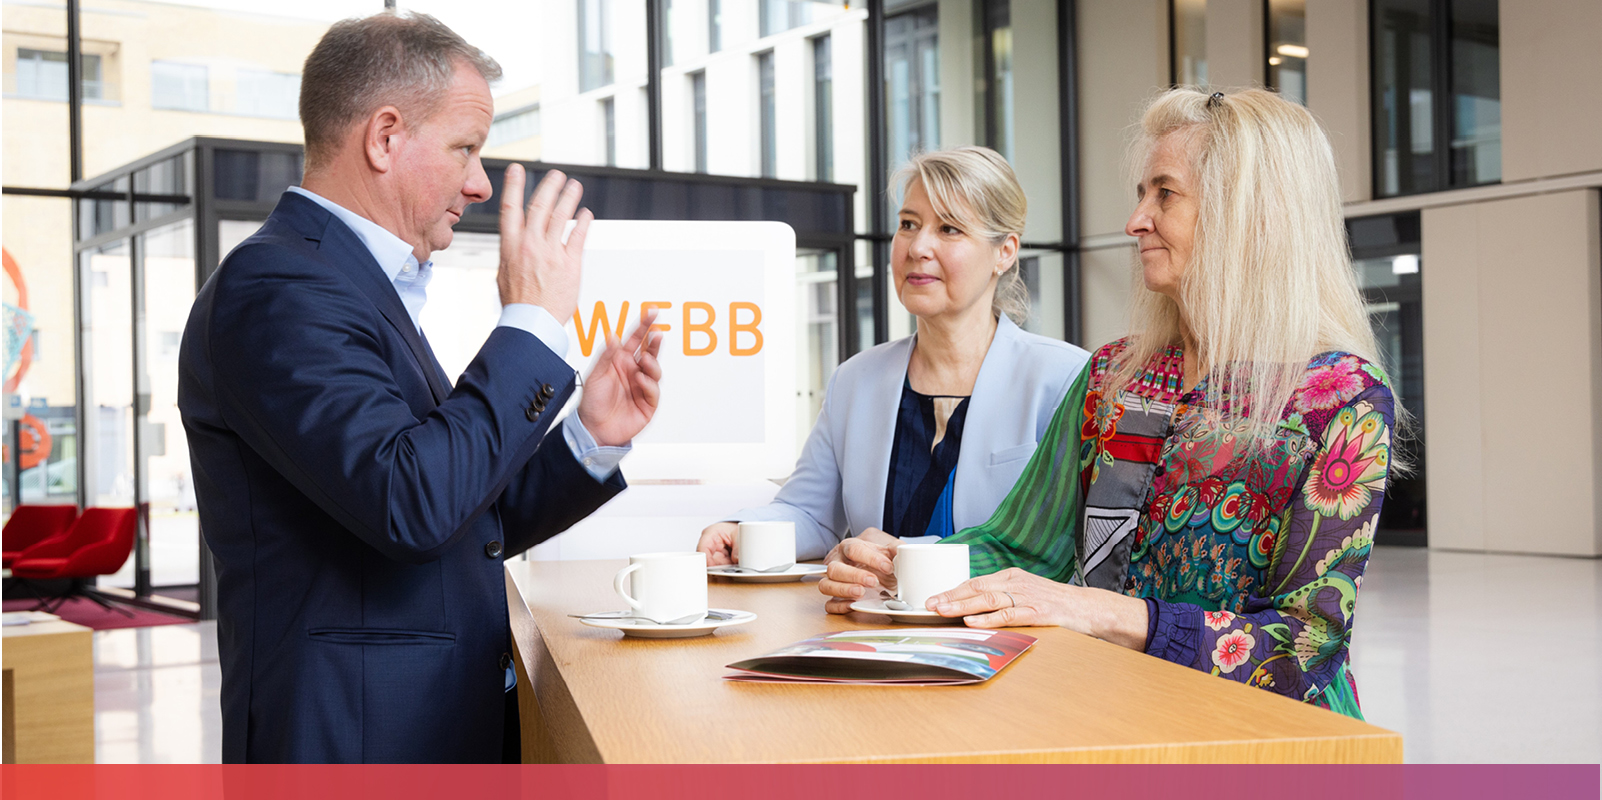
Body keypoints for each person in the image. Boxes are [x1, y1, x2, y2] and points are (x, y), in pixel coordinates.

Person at [178, 11, 663, 763]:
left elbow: (462, 518)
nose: (479, 183)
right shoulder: (277, 287)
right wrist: (530, 322)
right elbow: (412, 504)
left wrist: (589, 435)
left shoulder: (344, 285)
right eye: (466, 148)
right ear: (384, 137)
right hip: (356, 747)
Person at [821, 88, 1396, 719]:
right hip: (1123, 715)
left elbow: (1306, 645)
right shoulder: (1114, 377)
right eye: (1141, 193)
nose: (1136, 220)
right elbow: (1019, 548)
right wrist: (897, 565)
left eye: (1164, 194)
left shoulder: (1342, 398)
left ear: (1247, 212)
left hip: (1275, 740)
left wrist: (1102, 612)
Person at [697, 147, 1089, 577]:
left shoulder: (1065, 379)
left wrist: (906, 555)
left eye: (949, 229)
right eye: (908, 224)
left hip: (1003, 619)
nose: (918, 247)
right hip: (874, 616)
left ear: (1005, 252)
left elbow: (1052, 549)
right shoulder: (855, 380)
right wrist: (741, 531)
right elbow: (809, 513)